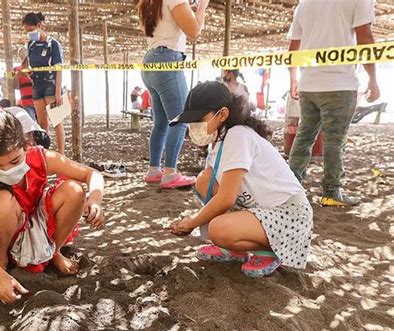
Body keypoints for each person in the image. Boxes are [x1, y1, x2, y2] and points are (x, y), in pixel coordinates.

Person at [0, 103, 105, 304]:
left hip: (35, 224)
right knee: (1, 200)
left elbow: (91, 174)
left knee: (74, 190)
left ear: (25, 144)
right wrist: (0, 277)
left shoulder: (40, 157)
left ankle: (54, 251)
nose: (8, 169)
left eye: (15, 160)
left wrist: (95, 198)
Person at [169, 81, 313, 277]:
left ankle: (269, 251)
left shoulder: (237, 135)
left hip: (288, 214)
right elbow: (216, 188)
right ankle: (234, 247)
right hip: (260, 209)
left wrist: (191, 222)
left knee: (218, 229)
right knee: (205, 179)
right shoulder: (219, 141)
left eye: (199, 119)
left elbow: (226, 198)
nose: (194, 127)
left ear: (222, 114)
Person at [288, 0, 380, 207]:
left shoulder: (304, 4)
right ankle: (331, 192)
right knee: (334, 141)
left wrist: (293, 79)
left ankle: (290, 186)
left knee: (304, 137)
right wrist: (373, 78)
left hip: (309, 84)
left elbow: (294, 46)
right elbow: (364, 36)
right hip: (339, 82)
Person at [137, 0, 209, 189]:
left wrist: (189, 10)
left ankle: (154, 169)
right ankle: (170, 173)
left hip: (150, 61)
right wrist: (202, 7)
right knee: (181, 119)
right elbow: (194, 31)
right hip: (167, 60)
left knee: (160, 123)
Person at [22, 12, 65, 155]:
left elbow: (59, 69)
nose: (29, 34)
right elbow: (30, 65)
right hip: (37, 85)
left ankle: (61, 154)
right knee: (42, 124)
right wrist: (29, 72)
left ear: (39, 26)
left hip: (51, 85)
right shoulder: (31, 44)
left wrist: (58, 92)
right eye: (26, 31)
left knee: (57, 121)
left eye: (30, 30)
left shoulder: (54, 44)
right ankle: (44, 153)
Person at [14, 46, 36, 120]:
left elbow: (37, 84)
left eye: (24, 52)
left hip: (38, 100)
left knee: (42, 125)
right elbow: (16, 87)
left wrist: (27, 76)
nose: (22, 55)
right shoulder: (16, 69)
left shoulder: (35, 68)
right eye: (20, 53)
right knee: (31, 124)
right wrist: (17, 77)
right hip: (26, 102)